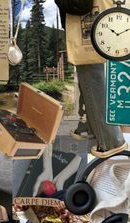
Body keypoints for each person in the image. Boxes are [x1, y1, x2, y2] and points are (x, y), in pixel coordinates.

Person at [54, 0, 127, 158]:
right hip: (106, 26)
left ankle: (112, 142)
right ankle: (90, 127)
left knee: (93, 80)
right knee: (91, 78)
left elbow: (81, 4)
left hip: (94, 30)